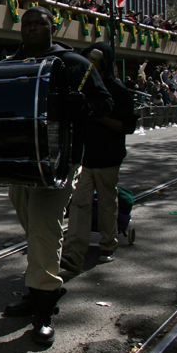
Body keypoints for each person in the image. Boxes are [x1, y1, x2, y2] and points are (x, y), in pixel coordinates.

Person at [2, 7, 112, 346]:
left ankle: (44, 306)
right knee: (36, 229)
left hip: (60, 163)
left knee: (45, 228)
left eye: (40, 24)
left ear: (53, 28)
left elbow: (104, 103)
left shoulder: (75, 64)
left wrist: (84, 107)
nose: (33, 29)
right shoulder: (11, 65)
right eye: (27, 25)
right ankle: (39, 289)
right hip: (23, 164)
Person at [62, 43, 137, 270]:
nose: (89, 65)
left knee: (106, 204)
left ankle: (108, 244)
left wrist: (98, 115)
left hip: (108, 157)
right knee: (79, 204)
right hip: (84, 157)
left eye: (93, 61)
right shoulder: (83, 88)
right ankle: (74, 251)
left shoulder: (118, 90)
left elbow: (127, 126)